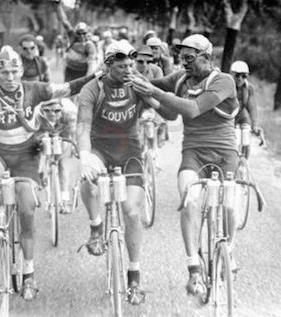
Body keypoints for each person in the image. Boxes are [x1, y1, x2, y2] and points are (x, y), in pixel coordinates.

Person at [0, 46, 103, 301]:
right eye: (4, 72)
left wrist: (96, 76)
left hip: (26, 156)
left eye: (14, 72)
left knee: (27, 210)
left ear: (21, 71)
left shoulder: (35, 89)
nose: (9, 77)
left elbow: (68, 88)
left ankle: (29, 273)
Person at [129, 34, 239, 299]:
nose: (184, 63)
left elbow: (191, 110)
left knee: (230, 204)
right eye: (181, 58)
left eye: (189, 58)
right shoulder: (180, 79)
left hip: (225, 153)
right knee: (189, 198)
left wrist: (153, 92)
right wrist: (128, 78)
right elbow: (167, 109)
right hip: (194, 153)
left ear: (206, 57)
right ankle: (193, 267)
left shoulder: (223, 81)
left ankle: (230, 250)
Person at [77, 40, 176, 305]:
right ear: (109, 65)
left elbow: (170, 115)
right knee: (87, 177)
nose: (128, 70)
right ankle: (96, 228)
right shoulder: (93, 88)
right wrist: (85, 156)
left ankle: (134, 276)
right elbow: (83, 126)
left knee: (131, 211)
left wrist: (151, 92)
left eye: (131, 65)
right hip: (100, 147)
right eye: (122, 66)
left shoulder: (138, 84)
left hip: (130, 149)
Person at [36, 99, 76, 212]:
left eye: (56, 111)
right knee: (41, 158)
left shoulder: (70, 113)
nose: (52, 114)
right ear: (41, 110)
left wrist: (74, 146)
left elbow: (73, 133)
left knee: (63, 164)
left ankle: (65, 198)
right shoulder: (36, 115)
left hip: (64, 131)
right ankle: (47, 195)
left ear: (62, 109)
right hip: (42, 131)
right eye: (47, 111)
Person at [54, 1, 97, 81]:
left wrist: (88, 79)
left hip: (82, 71)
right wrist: (58, 6)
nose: (81, 36)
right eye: (79, 33)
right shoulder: (73, 36)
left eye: (84, 33)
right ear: (76, 32)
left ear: (87, 33)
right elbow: (64, 21)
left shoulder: (89, 45)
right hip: (70, 69)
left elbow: (92, 63)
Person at [135, 45, 168, 149]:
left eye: (148, 62)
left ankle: (152, 152)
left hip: (150, 105)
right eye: (140, 62)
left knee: (151, 127)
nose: (144, 65)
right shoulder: (128, 69)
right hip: (133, 105)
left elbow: (159, 93)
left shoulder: (156, 71)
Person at [230, 60, 259, 133]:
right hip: (228, 118)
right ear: (232, 74)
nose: (240, 79)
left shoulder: (249, 88)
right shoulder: (227, 86)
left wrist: (254, 124)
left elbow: (252, 108)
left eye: (244, 76)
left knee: (246, 134)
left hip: (241, 117)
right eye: (237, 75)